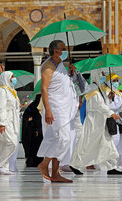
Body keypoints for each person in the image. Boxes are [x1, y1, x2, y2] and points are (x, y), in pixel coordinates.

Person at [37, 40, 86, 182]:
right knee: (64, 139)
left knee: (57, 138)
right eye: (63, 49)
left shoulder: (60, 65)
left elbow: (64, 85)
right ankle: (44, 164)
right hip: (56, 108)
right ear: (56, 51)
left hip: (65, 108)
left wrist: (71, 73)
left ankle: (56, 173)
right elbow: (44, 89)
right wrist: (48, 110)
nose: (66, 51)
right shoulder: (48, 66)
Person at [70, 70, 122, 174]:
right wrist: (111, 113)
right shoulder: (93, 88)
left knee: (107, 143)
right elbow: (98, 104)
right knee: (88, 144)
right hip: (94, 122)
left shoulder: (99, 89)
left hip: (101, 121)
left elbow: (103, 103)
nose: (103, 76)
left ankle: (111, 167)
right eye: (101, 74)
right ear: (96, 75)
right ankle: (76, 165)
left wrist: (109, 98)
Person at [102, 73, 122, 171]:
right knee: (112, 142)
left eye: (117, 81)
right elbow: (111, 106)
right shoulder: (106, 92)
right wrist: (111, 99)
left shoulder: (118, 93)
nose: (116, 83)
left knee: (118, 143)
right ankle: (110, 165)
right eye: (114, 81)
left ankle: (116, 164)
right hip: (110, 120)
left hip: (118, 121)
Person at [22, 94, 43, 167]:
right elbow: (29, 117)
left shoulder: (34, 105)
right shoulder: (34, 106)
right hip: (33, 131)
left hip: (36, 130)